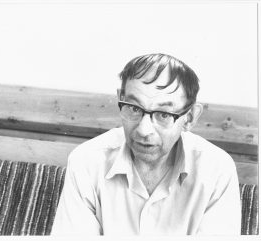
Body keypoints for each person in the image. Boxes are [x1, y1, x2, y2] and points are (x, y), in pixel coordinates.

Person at [52, 53, 241, 235]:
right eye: (134, 108)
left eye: (164, 114)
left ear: (189, 117)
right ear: (121, 99)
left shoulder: (217, 171)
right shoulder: (86, 161)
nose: (143, 130)